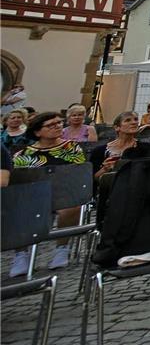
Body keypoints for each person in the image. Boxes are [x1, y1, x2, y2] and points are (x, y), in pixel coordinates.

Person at [10, 112, 87, 274]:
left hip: (63, 194)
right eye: (51, 125)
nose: (57, 127)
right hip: (33, 195)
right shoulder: (24, 154)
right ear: (38, 132)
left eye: (59, 123)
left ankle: (62, 248)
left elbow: (77, 174)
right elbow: (18, 180)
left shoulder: (71, 148)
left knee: (71, 207)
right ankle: (21, 254)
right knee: (16, 208)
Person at [90, 111, 150, 179]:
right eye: (128, 120)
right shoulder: (99, 151)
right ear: (117, 127)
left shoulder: (146, 148)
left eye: (136, 119)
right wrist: (105, 169)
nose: (134, 122)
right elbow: (92, 179)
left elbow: (148, 174)